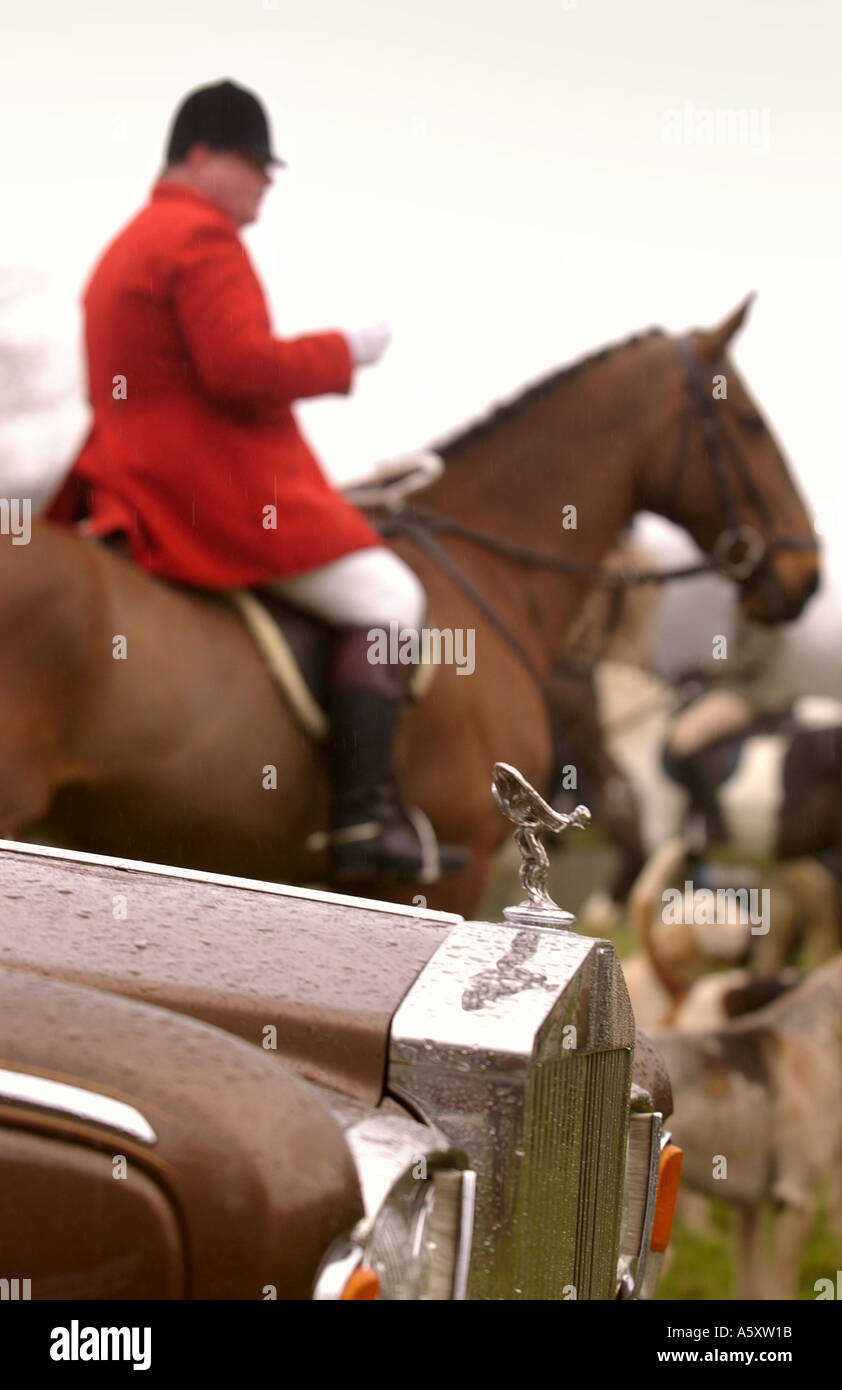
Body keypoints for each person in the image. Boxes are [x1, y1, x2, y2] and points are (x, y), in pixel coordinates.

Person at [46, 78, 470, 884]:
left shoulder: (125, 244)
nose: (267, 180)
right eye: (252, 162)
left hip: (122, 478)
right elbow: (239, 368)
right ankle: (360, 820)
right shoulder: (201, 238)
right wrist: (346, 350)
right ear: (200, 157)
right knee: (391, 597)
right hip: (210, 489)